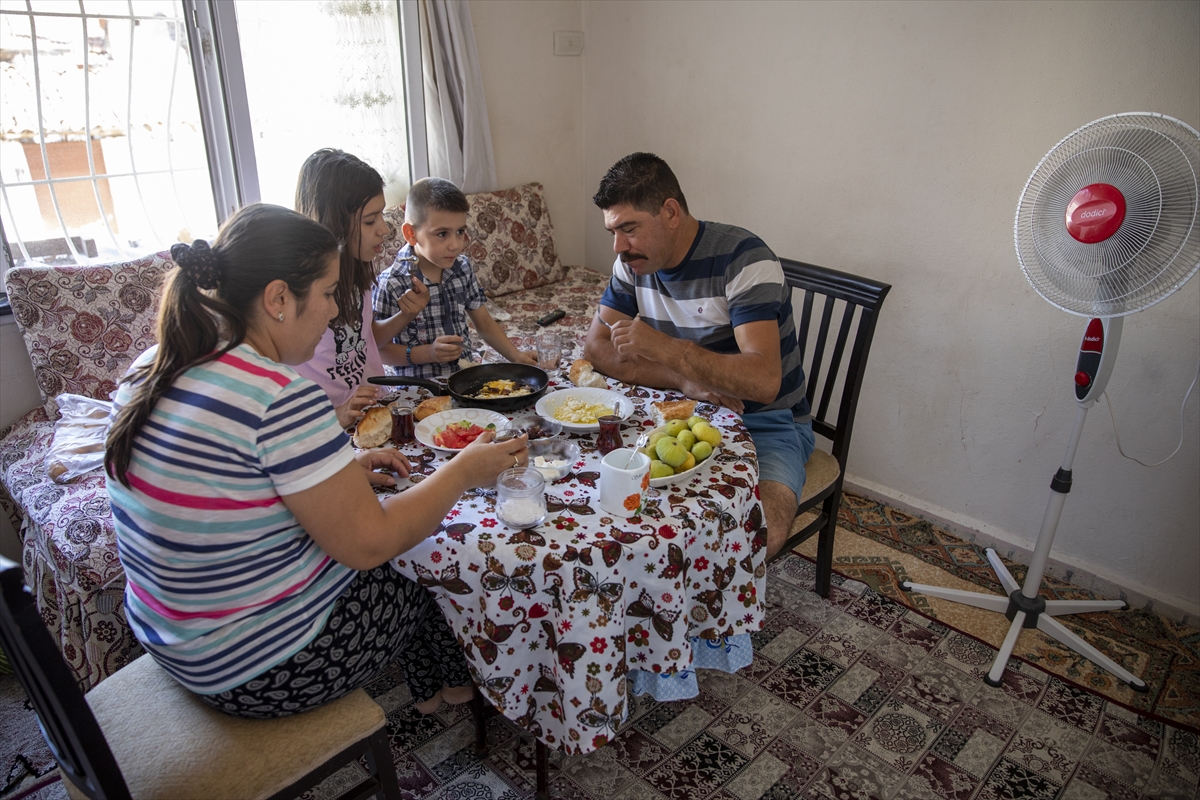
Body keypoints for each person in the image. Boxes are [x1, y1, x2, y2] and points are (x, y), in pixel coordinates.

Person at [104, 203, 529, 718]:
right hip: (258, 669)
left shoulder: (155, 365)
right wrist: (462, 470)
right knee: (431, 560)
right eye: (328, 294)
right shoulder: (280, 395)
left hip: (171, 637)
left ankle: (435, 691)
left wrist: (342, 474)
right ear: (279, 298)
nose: (334, 312)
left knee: (401, 525)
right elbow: (370, 543)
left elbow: (227, 483)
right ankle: (473, 692)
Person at [582, 152, 814, 560]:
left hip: (768, 421)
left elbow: (764, 381)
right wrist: (681, 379)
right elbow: (596, 348)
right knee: (620, 513)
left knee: (758, 536)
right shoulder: (633, 263)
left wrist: (666, 349)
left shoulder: (744, 259)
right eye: (612, 232)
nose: (619, 246)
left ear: (670, 212)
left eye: (629, 228)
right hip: (682, 412)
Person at [293, 148, 430, 429]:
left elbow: (365, 338)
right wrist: (336, 414)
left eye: (380, 215)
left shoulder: (356, 268)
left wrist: (405, 314)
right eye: (370, 220)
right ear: (334, 223)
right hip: (330, 425)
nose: (384, 229)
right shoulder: (300, 294)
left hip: (375, 407)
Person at [373, 177, 537, 378]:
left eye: (460, 232)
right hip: (419, 389)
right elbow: (378, 350)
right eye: (442, 234)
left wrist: (516, 356)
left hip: (464, 377)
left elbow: (484, 324)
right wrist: (427, 353)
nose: (455, 245)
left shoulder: (462, 267)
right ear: (411, 234)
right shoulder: (391, 283)